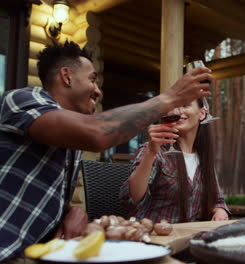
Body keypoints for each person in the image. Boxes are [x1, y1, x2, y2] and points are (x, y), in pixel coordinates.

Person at [0, 41, 213, 262]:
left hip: (39, 254)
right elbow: (97, 134)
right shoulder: (21, 100)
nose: (98, 90)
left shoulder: (71, 145)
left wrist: (73, 211)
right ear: (66, 76)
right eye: (92, 79)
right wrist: (169, 98)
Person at [120, 98, 229, 223]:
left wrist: (220, 210)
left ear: (202, 114)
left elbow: (218, 200)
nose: (177, 112)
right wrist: (150, 153)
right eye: (173, 107)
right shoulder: (155, 150)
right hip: (151, 235)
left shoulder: (203, 158)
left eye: (185, 105)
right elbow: (132, 199)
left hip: (185, 237)